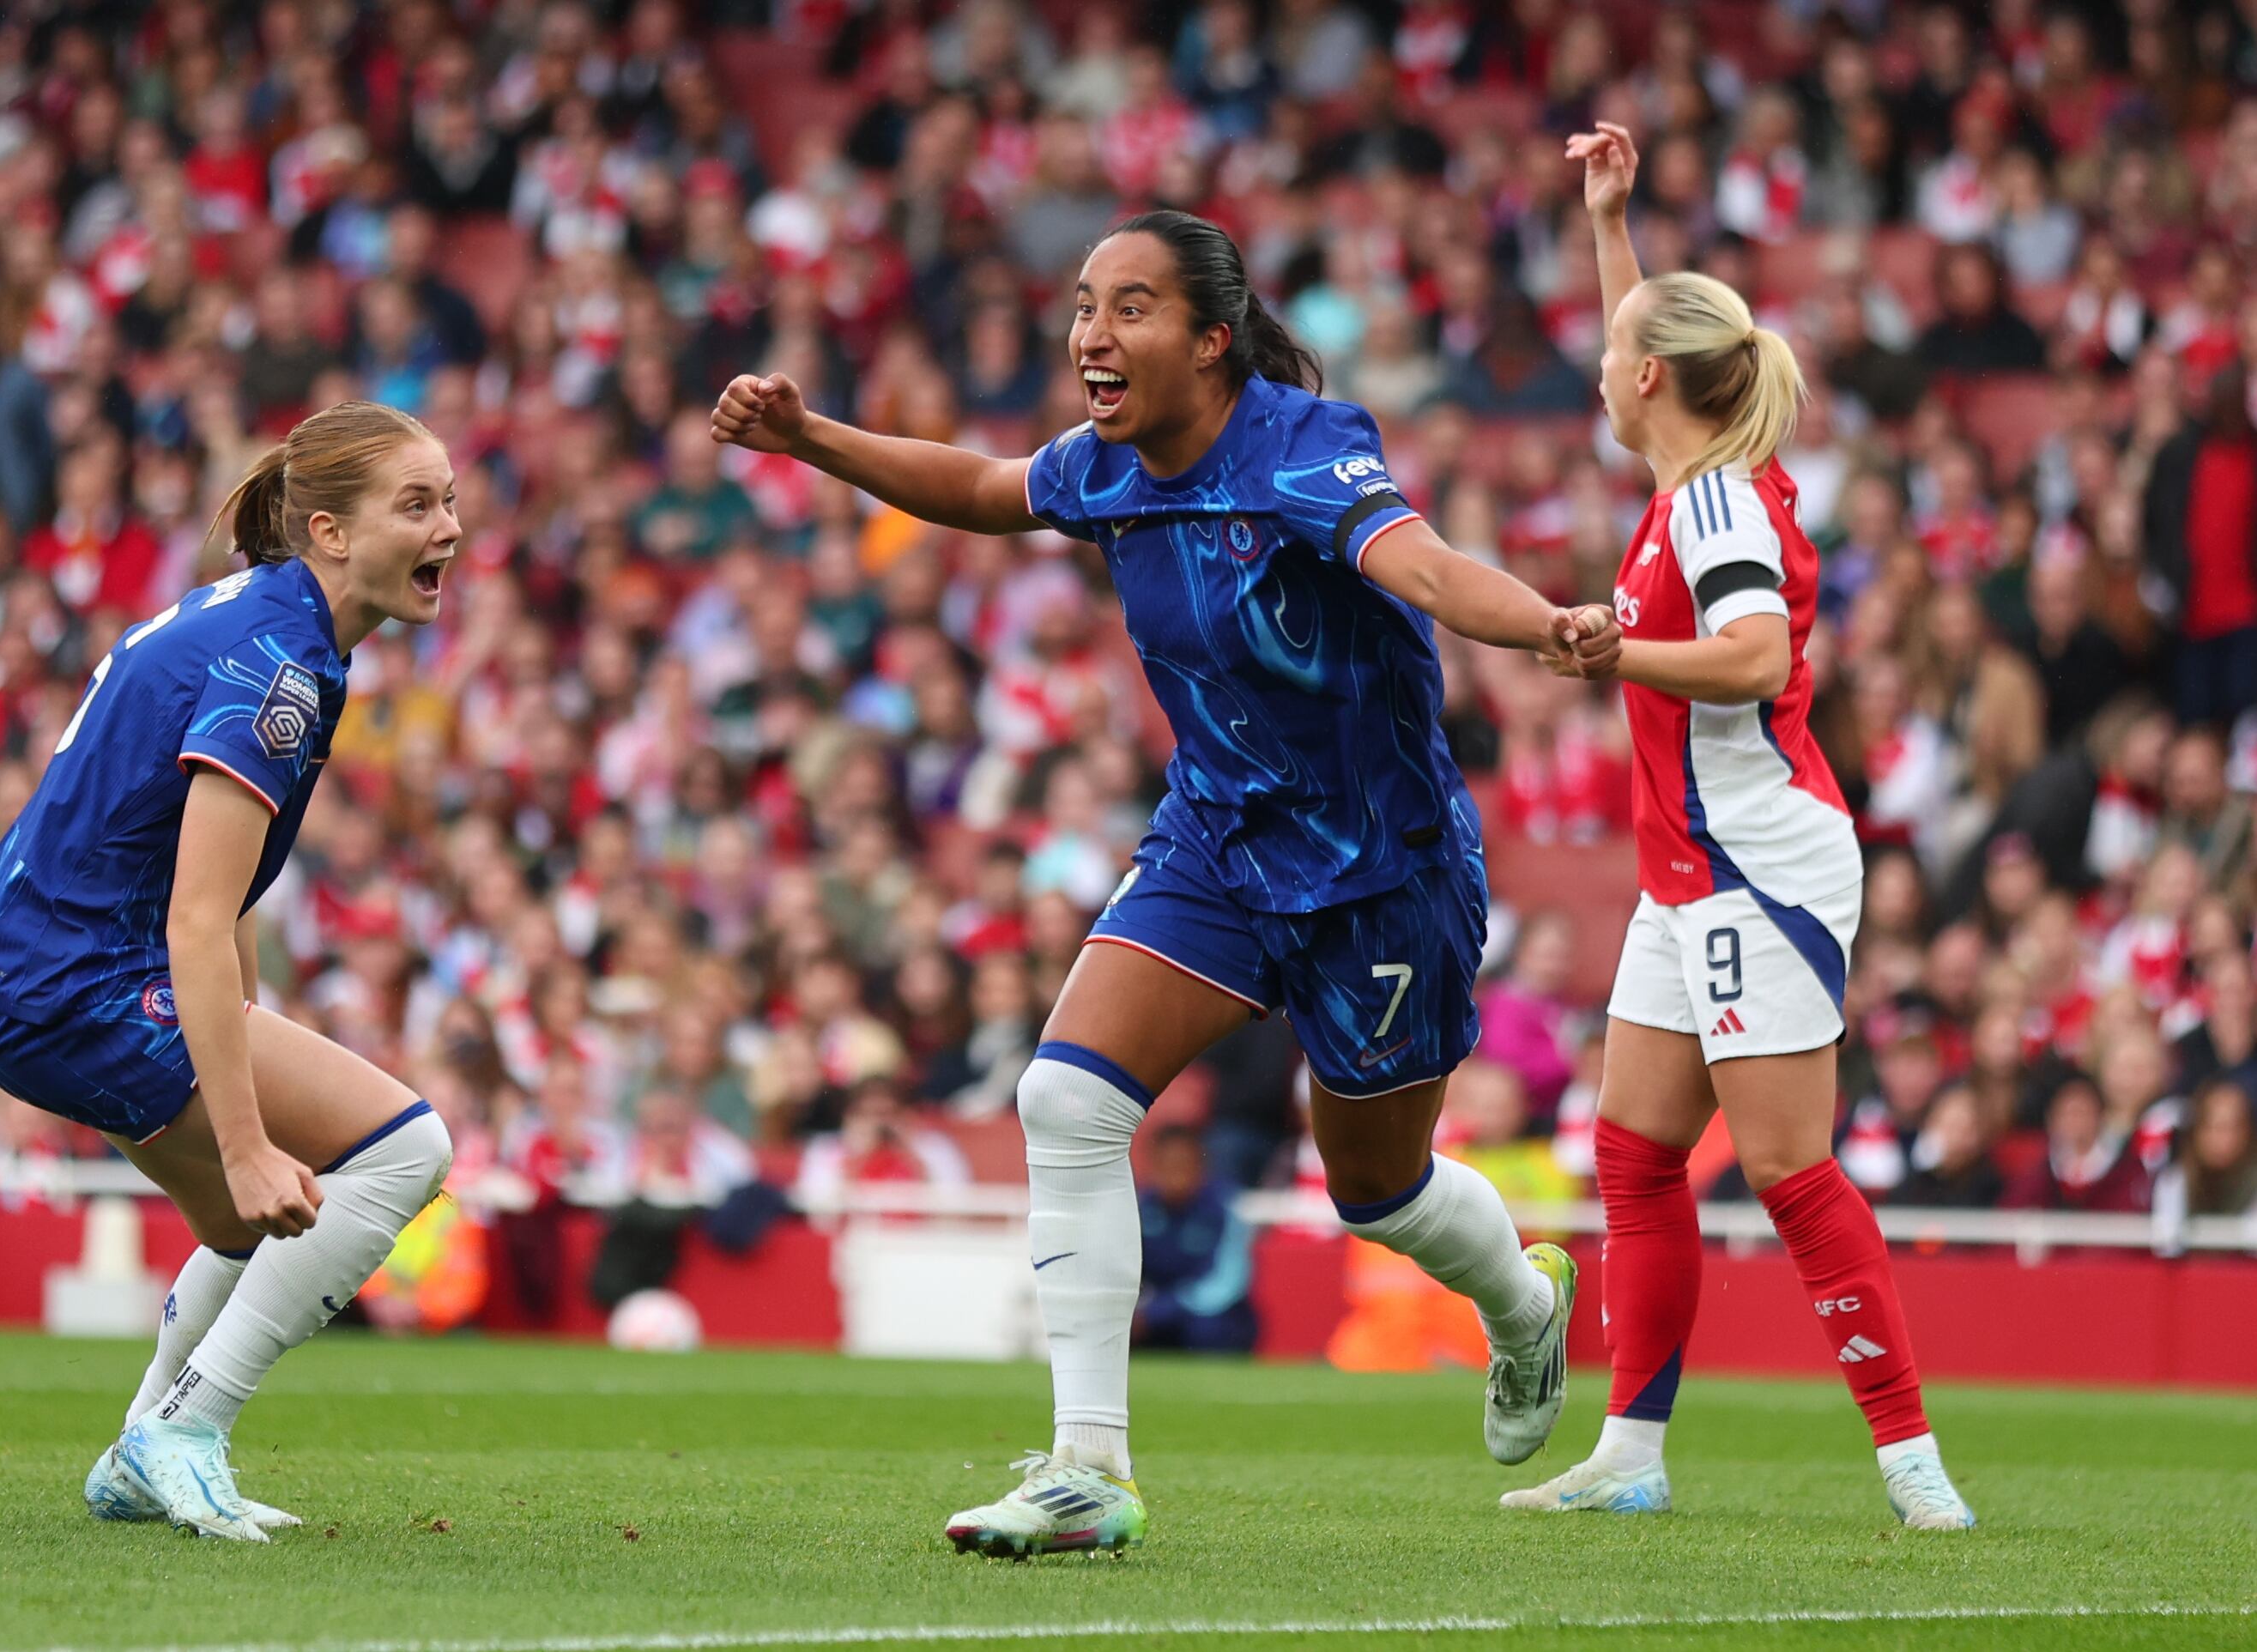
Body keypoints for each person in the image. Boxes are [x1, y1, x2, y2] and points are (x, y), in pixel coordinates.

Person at [712, 208, 1618, 1558]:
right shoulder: (1104, 467)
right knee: (1064, 1097)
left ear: (1209, 340)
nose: (1090, 331)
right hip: (1214, 844)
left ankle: (1523, 1308)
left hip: (1381, 872)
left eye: (1128, 306)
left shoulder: (1306, 452)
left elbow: (1417, 566)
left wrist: (1539, 621)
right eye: (1083, 302)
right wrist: (808, 438)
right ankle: (1087, 1468)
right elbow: (975, 486)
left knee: (1376, 1191)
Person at [1504, 125, 1975, 1532]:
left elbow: (1759, 659)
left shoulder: (1708, 503)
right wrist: (1610, 223)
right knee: (1635, 1154)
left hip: (1753, 864)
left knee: (1785, 1167)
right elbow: (1646, 341)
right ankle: (1632, 1454)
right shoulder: (1690, 472)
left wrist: (1612, 661)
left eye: (1614, 348)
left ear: (1649, 380)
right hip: (1686, 869)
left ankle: (1910, 1465)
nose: (1598, 360)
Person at [0, 401, 463, 1541]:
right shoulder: (278, 664)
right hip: (70, 975)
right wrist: (243, 1133)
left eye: (452, 502)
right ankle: (184, 1428)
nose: (450, 530)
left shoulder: (268, 620)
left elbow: (207, 888)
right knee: (407, 1148)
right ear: (327, 530)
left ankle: (142, 1453)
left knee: (240, 1228)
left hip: (25, 959)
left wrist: (238, 1061)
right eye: (416, 505)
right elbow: (194, 910)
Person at [1134, 1125, 1257, 1355]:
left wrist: (1161, 1310)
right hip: (1152, 1314)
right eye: (1167, 1165)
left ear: (1201, 1166)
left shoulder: (1225, 1208)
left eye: (1183, 1164)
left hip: (1207, 1315)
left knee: (1208, 1330)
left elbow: (1227, 1283)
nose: (1175, 1174)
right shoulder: (1138, 1209)